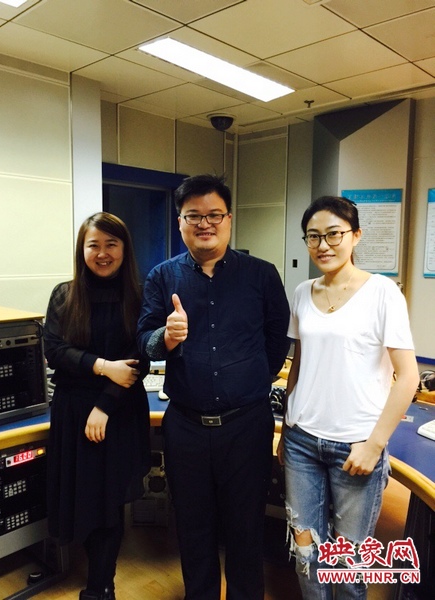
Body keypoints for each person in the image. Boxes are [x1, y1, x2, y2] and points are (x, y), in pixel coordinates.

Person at [137, 174, 290, 600]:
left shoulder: (261, 274)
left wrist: (254, 378)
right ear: (180, 222)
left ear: (229, 219)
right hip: (185, 427)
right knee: (192, 526)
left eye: (214, 215)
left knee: (246, 527)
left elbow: (277, 338)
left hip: (246, 425)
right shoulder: (162, 276)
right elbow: (145, 341)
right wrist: (166, 337)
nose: (205, 223)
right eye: (194, 216)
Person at [277, 196, 419, 600]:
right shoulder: (302, 292)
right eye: (313, 236)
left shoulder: (383, 292)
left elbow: (408, 377)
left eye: (334, 234)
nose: (323, 245)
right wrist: (286, 429)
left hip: (356, 445)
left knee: (348, 563)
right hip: (302, 441)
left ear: (355, 235)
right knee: (307, 553)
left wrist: (374, 445)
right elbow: (298, 366)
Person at [44, 212, 151, 600]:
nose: (102, 253)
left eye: (111, 244)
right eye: (94, 245)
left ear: (125, 249)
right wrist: (103, 366)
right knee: (81, 496)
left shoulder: (139, 296)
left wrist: (104, 405)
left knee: (108, 502)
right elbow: (54, 350)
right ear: (82, 249)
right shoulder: (64, 294)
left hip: (117, 410)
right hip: (73, 409)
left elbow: (139, 360)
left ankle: (101, 587)